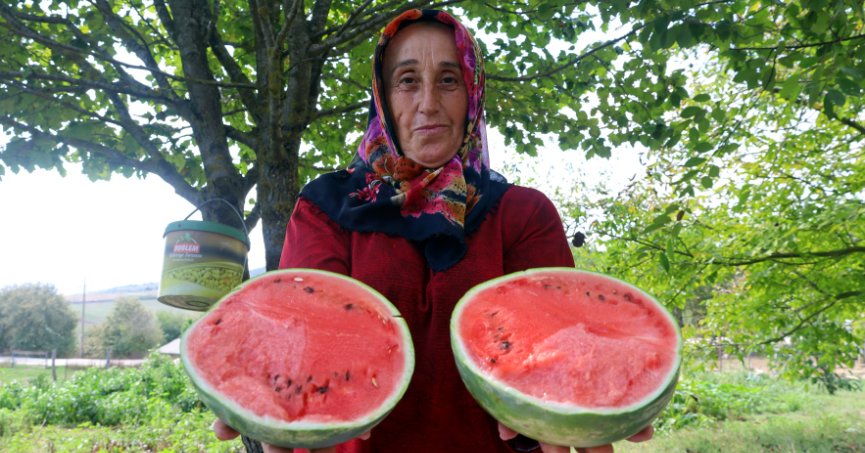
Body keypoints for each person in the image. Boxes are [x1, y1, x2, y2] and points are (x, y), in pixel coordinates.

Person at [213, 9, 653, 453]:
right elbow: (302, 336)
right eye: (407, 80)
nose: (428, 103)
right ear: (382, 98)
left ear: (473, 94)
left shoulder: (522, 214)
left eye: (448, 80)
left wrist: (608, 386)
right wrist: (252, 373)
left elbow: (556, 352)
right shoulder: (327, 208)